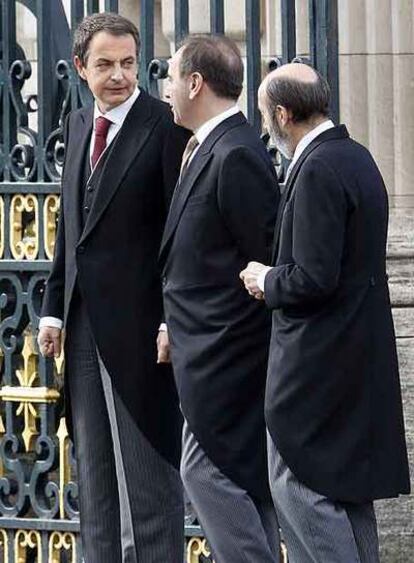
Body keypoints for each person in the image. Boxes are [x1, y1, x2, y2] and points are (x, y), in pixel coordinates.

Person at [240, 63, 410, 563]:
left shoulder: (316, 167)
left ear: (283, 113)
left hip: (317, 362)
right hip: (353, 354)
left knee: (298, 484)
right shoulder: (355, 156)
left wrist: (265, 279)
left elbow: (314, 276)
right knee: (346, 493)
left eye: (267, 116)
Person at [37, 13, 190, 563]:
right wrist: (53, 311)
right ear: (81, 68)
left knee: (149, 487)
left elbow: (178, 238)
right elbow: (71, 233)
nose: (120, 75)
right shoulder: (79, 124)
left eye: (128, 63)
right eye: (105, 65)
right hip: (81, 330)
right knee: (96, 487)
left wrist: (172, 320)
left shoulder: (165, 126)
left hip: (142, 334)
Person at [157, 34, 281, 562]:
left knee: (204, 470)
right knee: (242, 479)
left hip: (227, 355)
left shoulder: (236, 153)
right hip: (200, 348)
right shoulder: (207, 145)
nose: (163, 87)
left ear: (194, 82)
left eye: (170, 76)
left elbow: (261, 261)